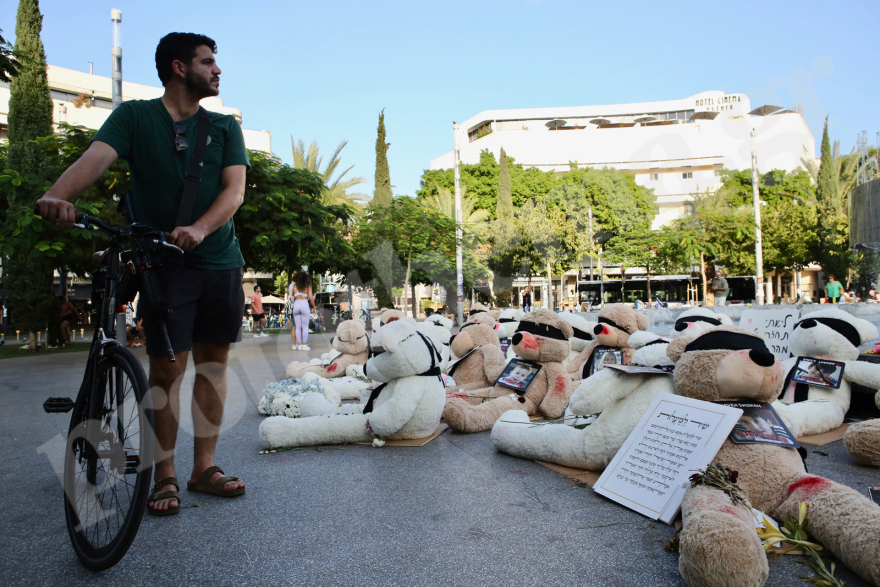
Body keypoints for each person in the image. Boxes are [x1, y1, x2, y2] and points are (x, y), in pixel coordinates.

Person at [35, 32, 247, 516]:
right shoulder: (134, 117)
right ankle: (165, 474)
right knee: (168, 370)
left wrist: (199, 227)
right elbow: (95, 159)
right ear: (179, 67)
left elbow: (234, 193)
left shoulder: (224, 127)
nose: (217, 70)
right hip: (164, 262)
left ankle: (205, 468)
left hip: (219, 261)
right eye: (208, 62)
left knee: (213, 365)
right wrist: (57, 195)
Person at [291, 271, 315, 351]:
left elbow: (290, 296)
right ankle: (304, 345)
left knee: (298, 327)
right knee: (305, 327)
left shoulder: (294, 286)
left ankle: (299, 345)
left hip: (296, 304)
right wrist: (314, 307)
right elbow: (311, 298)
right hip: (304, 304)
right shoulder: (308, 286)